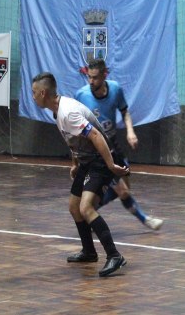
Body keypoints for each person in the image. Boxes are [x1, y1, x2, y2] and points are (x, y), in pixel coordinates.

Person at [32, 72, 129, 277]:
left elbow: (94, 135)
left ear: (43, 93)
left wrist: (110, 165)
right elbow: (72, 139)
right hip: (87, 161)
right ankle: (89, 251)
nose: (33, 97)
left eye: (34, 93)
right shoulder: (57, 110)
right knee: (74, 207)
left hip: (100, 160)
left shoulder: (67, 112)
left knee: (85, 208)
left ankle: (114, 255)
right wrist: (75, 163)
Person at [75, 58, 164, 230]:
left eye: (95, 78)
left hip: (114, 145)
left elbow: (125, 113)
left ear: (104, 75)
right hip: (97, 151)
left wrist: (130, 131)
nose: (91, 81)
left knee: (125, 189)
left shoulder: (115, 90)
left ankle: (90, 211)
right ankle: (146, 220)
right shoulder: (82, 95)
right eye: (89, 77)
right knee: (122, 191)